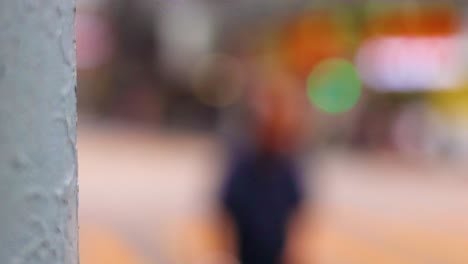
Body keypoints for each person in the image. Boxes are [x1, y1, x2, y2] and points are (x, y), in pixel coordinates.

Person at [220, 70, 306, 264]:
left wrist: (295, 253)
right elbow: (227, 214)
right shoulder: (243, 163)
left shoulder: (288, 166)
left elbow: (296, 216)